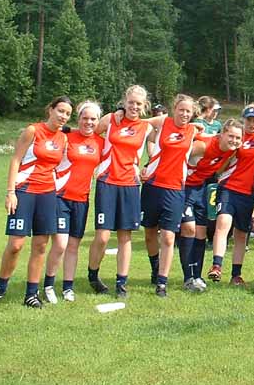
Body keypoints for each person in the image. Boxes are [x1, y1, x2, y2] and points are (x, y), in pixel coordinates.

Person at [0, 96, 72, 309]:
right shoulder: (33, 131)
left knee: (40, 245)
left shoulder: (63, 138)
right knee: (16, 245)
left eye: (68, 114)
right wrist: (10, 192)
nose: (63, 116)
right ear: (50, 110)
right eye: (60, 111)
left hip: (47, 194)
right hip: (24, 191)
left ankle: (31, 294)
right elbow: (15, 159)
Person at [87, 85, 154, 298]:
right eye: (130, 102)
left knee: (125, 236)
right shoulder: (111, 119)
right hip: (107, 182)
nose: (134, 106)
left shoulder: (146, 127)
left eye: (138, 104)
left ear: (144, 106)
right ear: (124, 102)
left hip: (130, 185)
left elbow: (170, 124)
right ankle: (93, 275)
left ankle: (121, 283)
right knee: (103, 236)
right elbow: (89, 134)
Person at [43, 101, 105, 303]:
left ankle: (67, 287)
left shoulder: (101, 142)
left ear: (98, 121)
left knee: (73, 246)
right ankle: (49, 285)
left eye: (93, 119)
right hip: (60, 197)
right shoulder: (66, 136)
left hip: (82, 199)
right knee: (60, 244)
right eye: (85, 118)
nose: (89, 122)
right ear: (78, 119)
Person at [140, 94, 199, 297]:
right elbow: (139, 123)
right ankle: (155, 268)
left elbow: (212, 143)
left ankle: (162, 282)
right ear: (174, 109)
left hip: (174, 190)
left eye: (188, 111)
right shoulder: (163, 122)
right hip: (152, 185)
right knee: (149, 232)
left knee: (167, 236)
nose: (184, 114)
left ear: (192, 114)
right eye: (181, 109)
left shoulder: (193, 130)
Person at [179, 119, 243, 292]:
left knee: (201, 232)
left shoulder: (231, 151)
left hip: (200, 189)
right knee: (189, 229)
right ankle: (187, 277)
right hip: (183, 188)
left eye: (238, 138)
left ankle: (197, 276)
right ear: (222, 134)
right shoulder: (203, 145)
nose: (234, 141)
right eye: (231, 136)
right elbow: (178, 155)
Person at [208, 104, 254, 286]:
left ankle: (236, 274)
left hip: (248, 191)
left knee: (241, 233)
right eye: (249, 120)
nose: (252, 124)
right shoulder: (236, 135)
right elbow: (220, 162)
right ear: (244, 120)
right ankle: (216, 266)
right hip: (228, 187)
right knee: (223, 223)